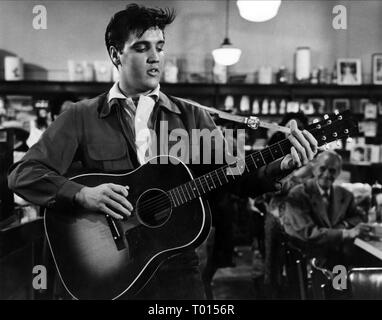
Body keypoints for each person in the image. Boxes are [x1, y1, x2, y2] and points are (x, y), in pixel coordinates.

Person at [7, 4, 317, 300]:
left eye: (160, 46)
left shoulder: (192, 116)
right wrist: (81, 194)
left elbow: (237, 176)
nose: (155, 57)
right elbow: (24, 174)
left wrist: (282, 163)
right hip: (109, 272)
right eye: (142, 48)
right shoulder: (80, 116)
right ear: (116, 55)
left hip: (178, 270)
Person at [282, 151, 367, 268]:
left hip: (335, 256)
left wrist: (344, 224)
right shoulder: (298, 194)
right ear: (314, 169)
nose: (327, 174)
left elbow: (359, 217)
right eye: (322, 169)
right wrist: (344, 234)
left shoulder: (345, 195)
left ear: (338, 173)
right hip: (306, 259)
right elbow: (308, 233)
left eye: (332, 171)